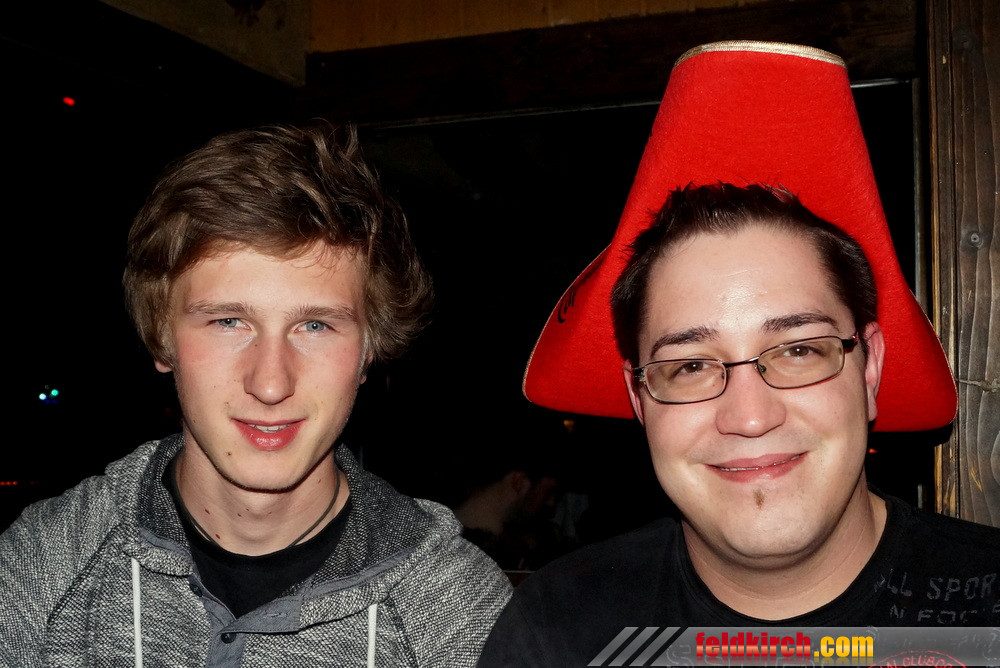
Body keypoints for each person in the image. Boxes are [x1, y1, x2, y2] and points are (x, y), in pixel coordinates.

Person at [478, 41, 1000, 665]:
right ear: (639, 399)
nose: (750, 417)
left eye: (798, 350)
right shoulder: (558, 630)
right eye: (691, 365)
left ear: (870, 371)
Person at [0, 122, 511, 666]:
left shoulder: (459, 611)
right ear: (161, 337)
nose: (270, 384)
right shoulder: (45, 562)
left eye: (315, 326)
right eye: (228, 322)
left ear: (368, 353)